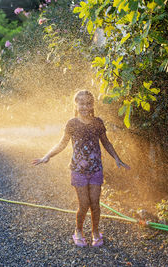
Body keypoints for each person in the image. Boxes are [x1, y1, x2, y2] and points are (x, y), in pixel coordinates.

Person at [33, 90, 130, 247]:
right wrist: (48, 155)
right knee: (84, 204)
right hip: (78, 170)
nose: (85, 106)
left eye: (88, 103)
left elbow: (106, 142)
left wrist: (117, 159)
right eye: (82, 103)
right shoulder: (72, 123)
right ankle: (78, 231)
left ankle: (96, 232)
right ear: (76, 105)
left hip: (96, 169)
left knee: (95, 203)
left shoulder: (98, 122)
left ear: (92, 105)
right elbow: (62, 143)